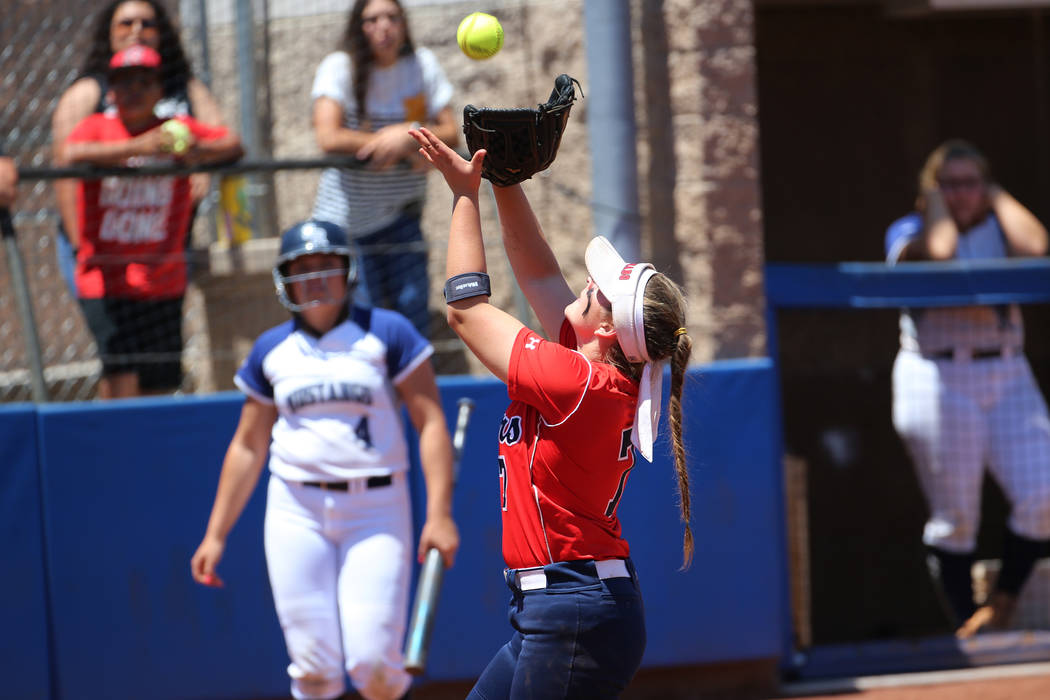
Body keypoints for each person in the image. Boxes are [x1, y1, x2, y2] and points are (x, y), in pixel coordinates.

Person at [409, 127, 693, 698]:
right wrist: (505, 181)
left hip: (573, 612)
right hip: (565, 608)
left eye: (602, 290)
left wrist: (465, 193)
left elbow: (466, 312)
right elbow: (537, 272)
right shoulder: (593, 372)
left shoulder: (579, 381)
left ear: (610, 330)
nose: (590, 283)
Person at [191, 219, 459, 700]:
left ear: (347, 269)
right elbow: (248, 444)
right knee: (314, 667)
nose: (314, 278)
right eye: (301, 268)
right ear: (283, 278)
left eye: (325, 265)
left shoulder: (387, 332)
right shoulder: (272, 349)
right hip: (297, 509)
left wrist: (439, 514)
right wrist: (216, 533)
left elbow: (431, 423)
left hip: (376, 508)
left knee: (375, 664)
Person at [885, 139, 1050, 638]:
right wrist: (935, 202)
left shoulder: (1002, 228)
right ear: (931, 190)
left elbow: (1039, 247)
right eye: (949, 184)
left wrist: (994, 195)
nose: (962, 194)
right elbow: (941, 251)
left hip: (1006, 371)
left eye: (970, 182)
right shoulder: (909, 231)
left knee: (1043, 493)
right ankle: (967, 630)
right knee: (956, 517)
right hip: (936, 374)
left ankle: (1000, 605)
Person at [55, 45, 242, 399]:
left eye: (144, 81)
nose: (134, 90)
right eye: (124, 82)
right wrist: (140, 147)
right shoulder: (96, 127)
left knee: (160, 383)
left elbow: (233, 143)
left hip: (161, 279)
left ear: (161, 89)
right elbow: (70, 153)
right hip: (107, 277)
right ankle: (114, 450)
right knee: (121, 375)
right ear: (111, 91)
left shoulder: (176, 128)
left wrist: (193, 154)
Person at [51, 0, 229, 294]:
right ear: (108, 32)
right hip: (101, 248)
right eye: (126, 23)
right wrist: (79, 246)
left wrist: (200, 161)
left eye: (147, 24)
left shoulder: (183, 86)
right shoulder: (89, 90)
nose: (137, 31)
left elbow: (222, 138)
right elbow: (65, 166)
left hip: (159, 244)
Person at [311, 0, 459, 337]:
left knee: (412, 316)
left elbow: (451, 130)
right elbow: (327, 135)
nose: (384, 26)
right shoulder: (340, 67)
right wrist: (389, 140)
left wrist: (405, 137)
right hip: (348, 224)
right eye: (372, 19)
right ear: (358, 27)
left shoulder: (422, 64)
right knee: (364, 320)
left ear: (404, 24)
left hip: (402, 218)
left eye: (392, 17)